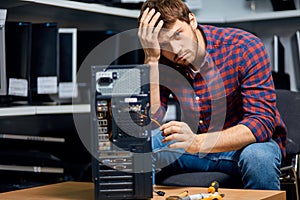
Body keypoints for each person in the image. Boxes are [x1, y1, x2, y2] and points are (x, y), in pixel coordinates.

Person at [137, 0, 287, 190]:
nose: (175, 50)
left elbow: (261, 123)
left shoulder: (243, 47)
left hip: (245, 148)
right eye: (164, 44)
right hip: (195, 151)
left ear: (192, 20)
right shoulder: (161, 59)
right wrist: (151, 59)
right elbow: (149, 123)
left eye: (178, 35)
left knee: (258, 158)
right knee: (138, 147)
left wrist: (197, 142)